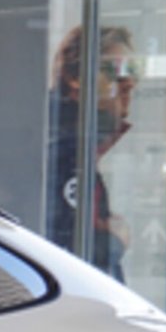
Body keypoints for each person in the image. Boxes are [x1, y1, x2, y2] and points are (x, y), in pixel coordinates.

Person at [47, 24, 142, 282]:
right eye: (114, 70)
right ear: (75, 77)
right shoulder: (63, 148)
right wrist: (113, 240)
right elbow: (60, 249)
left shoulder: (80, 145)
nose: (128, 83)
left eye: (133, 71)